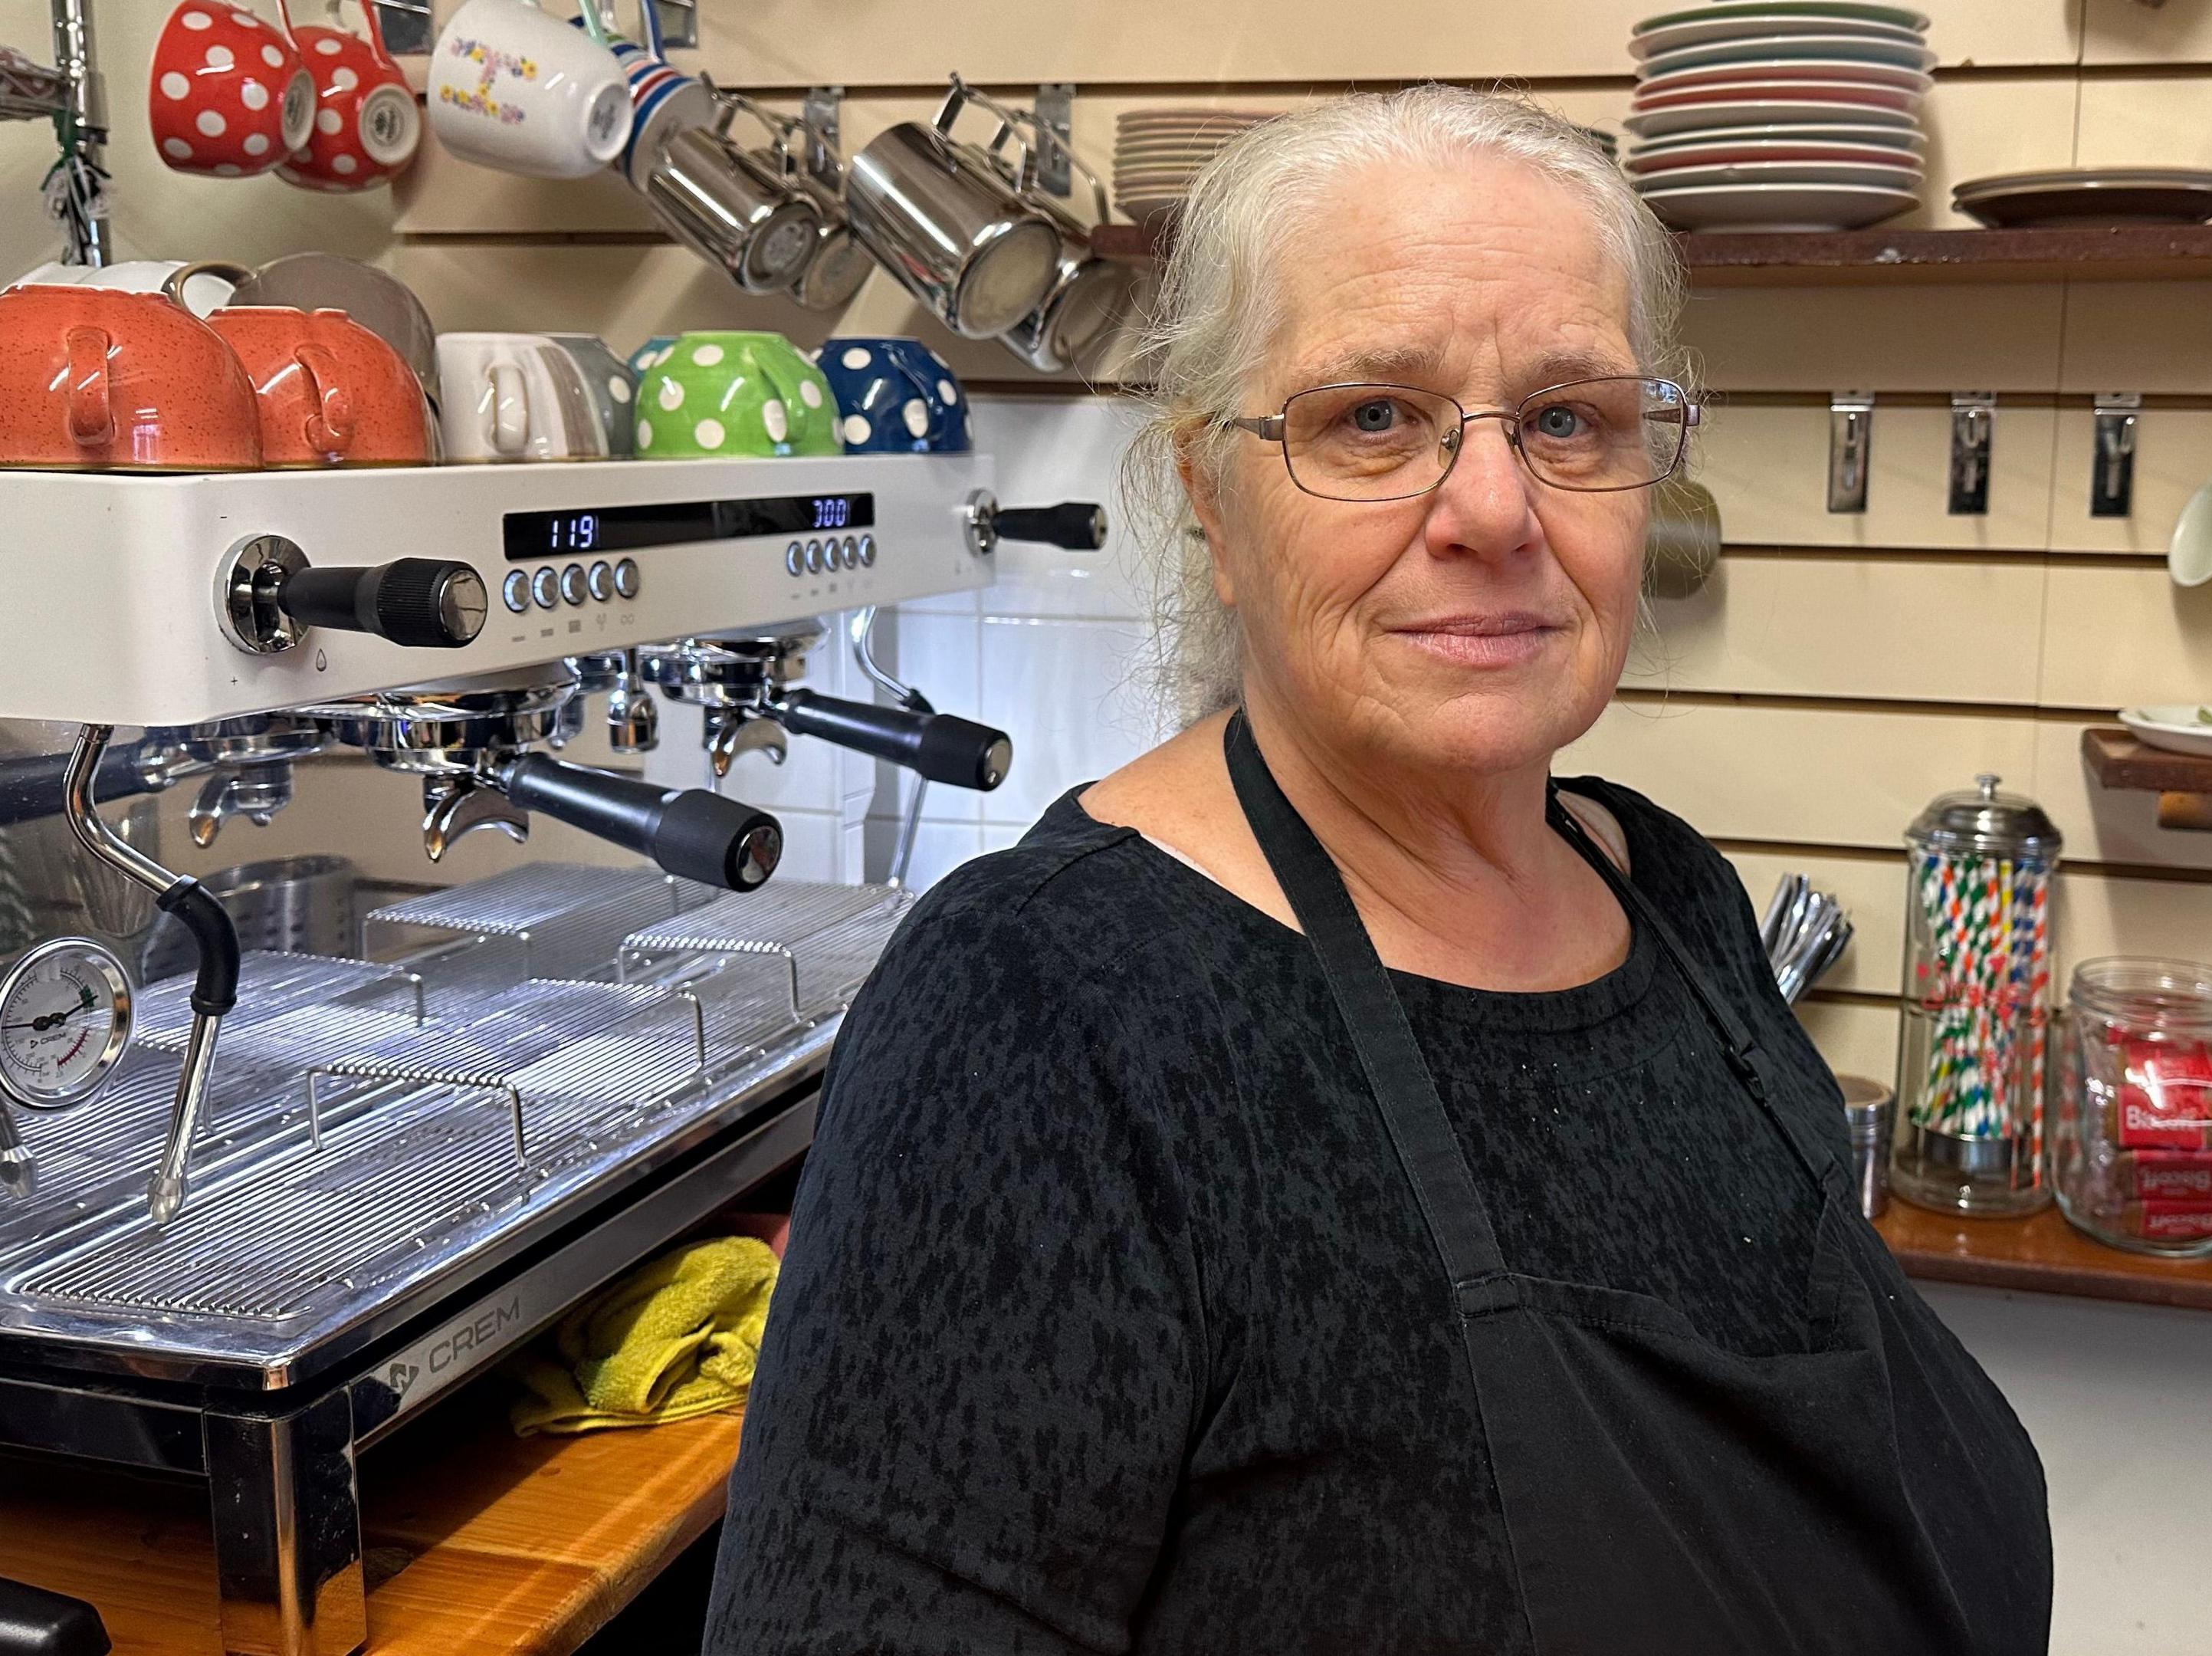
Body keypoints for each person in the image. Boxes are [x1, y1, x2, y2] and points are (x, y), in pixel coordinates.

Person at [707, 85, 2051, 1655]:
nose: (1494, 510)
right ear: (1212, 498)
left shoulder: (1672, 900)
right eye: (1371, 419)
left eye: (1569, 420)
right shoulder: (1041, 1017)